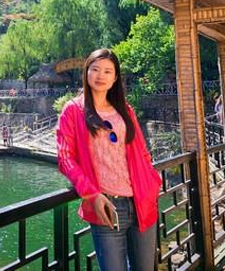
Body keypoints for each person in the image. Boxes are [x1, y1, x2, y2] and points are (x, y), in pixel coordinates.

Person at [56, 48, 161, 271]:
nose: (100, 76)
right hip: (106, 206)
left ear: (115, 78)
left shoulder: (125, 110)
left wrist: (152, 184)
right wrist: (91, 194)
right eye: (95, 69)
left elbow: (143, 153)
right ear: (86, 73)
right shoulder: (73, 110)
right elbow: (65, 158)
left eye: (107, 71)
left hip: (141, 201)